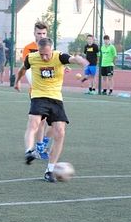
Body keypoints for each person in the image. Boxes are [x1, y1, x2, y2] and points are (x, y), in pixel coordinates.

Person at [14, 37, 88, 182]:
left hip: (55, 98)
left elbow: (73, 59)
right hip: (38, 96)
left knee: (60, 132)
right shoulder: (31, 58)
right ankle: (29, 151)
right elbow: (22, 69)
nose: (44, 57)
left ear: (51, 50)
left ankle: (49, 170)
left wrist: (81, 60)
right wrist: (17, 82)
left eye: (47, 54)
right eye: (41, 54)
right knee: (34, 123)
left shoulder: (59, 56)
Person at [22, 21, 52, 160]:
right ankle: (39, 148)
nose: (41, 36)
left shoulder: (50, 48)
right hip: (37, 91)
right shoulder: (28, 48)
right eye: (39, 33)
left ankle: (42, 144)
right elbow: (27, 68)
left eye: (44, 33)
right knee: (40, 121)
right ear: (34, 33)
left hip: (51, 91)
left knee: (54, 123)